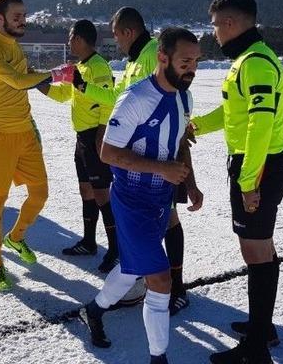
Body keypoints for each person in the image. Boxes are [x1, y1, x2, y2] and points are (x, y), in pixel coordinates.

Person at [79, 27, 203, 364]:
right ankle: (157, 358)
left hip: (161, 200)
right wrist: (161, 170)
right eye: (185, 61)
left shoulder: (184, 97)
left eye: (196, 62)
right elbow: (107, 152)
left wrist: (189, 183)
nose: (192, 69)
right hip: (131, 201)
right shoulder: (135, 98)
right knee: (160, 280)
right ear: (162, 57)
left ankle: (94, 310)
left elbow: (179, 142)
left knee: (133, 269)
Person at [63, 7, 192, 312]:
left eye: (117, 34)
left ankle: (176, 287)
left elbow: (172, 99)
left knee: (169, 219)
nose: (115, 42)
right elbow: (119, 99)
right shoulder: (135, 61)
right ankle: (149, 281)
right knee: (148, 223)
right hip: (140, 159)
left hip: (160, 155)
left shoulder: (151, 55)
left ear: (128, 32)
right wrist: (84, 88)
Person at [190, 0, 283, 364]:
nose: (214, 33)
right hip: (255, 164)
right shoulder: (247, 61)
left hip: (259, 165)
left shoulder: (257, 64)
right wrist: (197, 125)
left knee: (255, 250)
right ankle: (262, 328)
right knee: (261, 247)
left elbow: (260, 125)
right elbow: (234, 112)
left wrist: (249, 182)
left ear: (231, 24)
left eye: (216, 25)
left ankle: (256, 350)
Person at [0, 0, 60, 291]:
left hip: (24, 131)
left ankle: (16, 237)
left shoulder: (15, 48)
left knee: (40, 194)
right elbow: (16, 81)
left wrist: (61, 82)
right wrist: (56, 74)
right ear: (0, 19)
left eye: (24, 15)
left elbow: (26, 77)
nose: (23, 20)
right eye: (17, 16)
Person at [37, 20, 119, 272]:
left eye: (71, 37)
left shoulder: (98, 66)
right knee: (86, 190)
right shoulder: (80, 67)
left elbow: (109, 102)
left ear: (81, 39)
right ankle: (89, 242)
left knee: (103, 192)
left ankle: (116, 249)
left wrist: (102, 134)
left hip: (95, 135)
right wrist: (38, 84)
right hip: (82, 138)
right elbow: (65, 95)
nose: (68, 42)